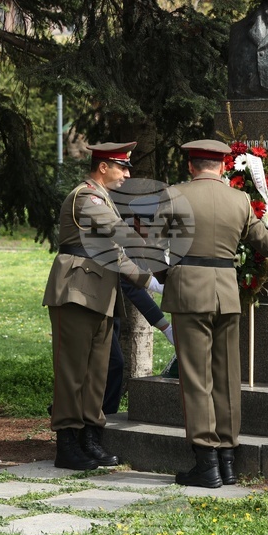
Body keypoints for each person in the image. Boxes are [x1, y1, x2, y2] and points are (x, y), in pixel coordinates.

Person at [153, 139, 268, 488]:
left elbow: (153, 249)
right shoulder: (240, 199)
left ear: (191, 165)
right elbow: (265, 243)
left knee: (196, 378)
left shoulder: (174, 196)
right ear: (221, 167)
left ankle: (207, 463)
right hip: (226, 294)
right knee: (227, 376)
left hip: (188, 292)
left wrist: (166, 279)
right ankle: (229, 460)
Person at [42, 142, 164, 471]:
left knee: (96, 372)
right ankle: (67, 443)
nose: (127, 174)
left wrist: (149, 280)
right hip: (76, 291)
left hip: (98, 294)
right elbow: (117, 232)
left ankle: (89, 438)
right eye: (122, 167)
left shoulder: (103, 197)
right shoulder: (87, 196)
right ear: (103, 167)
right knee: (72, 371)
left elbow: (114, 253)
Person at [103, 278, 174, 416]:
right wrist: (166, 328)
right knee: (114, 362)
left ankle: (104, 418)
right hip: (90, 304)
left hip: (110, 309)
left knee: (112, 365)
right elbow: (129, 282)